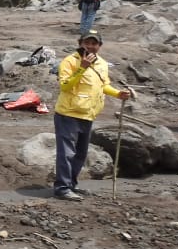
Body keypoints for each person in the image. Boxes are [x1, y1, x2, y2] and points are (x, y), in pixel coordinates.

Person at [53, 30, 132, 201]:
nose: (90, 46)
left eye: (94, 43)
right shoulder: (70, 61)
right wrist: (82, 68)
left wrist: (118, 94)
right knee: (66, 153)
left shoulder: (102, 63)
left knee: (80, 153)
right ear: (80, 43)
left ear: (99, 46)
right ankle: (62, 188)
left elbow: (104, 85)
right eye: (87, 43)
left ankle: (71, 185)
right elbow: (65, 86)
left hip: (88, 114)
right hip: (68, 114)